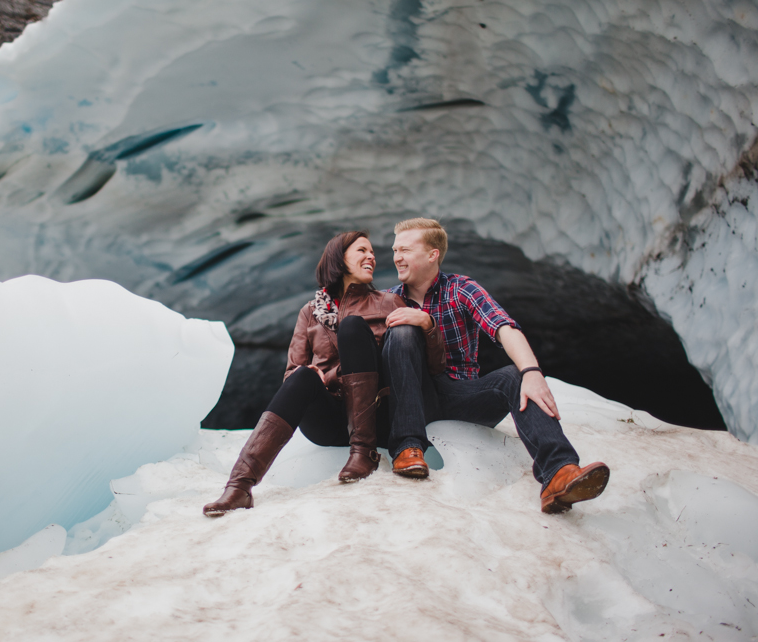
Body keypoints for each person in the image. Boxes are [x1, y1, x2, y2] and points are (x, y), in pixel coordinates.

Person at [203, 231, 445, 517]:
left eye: (372, 253)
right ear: (338, 259)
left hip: (379, 416)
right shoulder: (309, 313)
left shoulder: (389, 302)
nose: (372, 257)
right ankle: (239, 486)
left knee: (353, 328)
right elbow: (292, 374)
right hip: (332, 421)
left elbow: (425, 365)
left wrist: (428, 327)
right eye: (362, 251)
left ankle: (364, 452)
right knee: (303, 376)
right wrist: (315, 375)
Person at [383, 218, 609, 513]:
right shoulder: (388, 299)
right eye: (395, 249)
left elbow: (503, 327)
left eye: (405, 250)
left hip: (460, 395)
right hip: (410, 400)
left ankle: (558, 474)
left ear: (432, 254)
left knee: (513, 376)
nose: (397, 257)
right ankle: (407, 448)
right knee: (401, 333)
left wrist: (532, 372)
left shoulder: (461, 289)